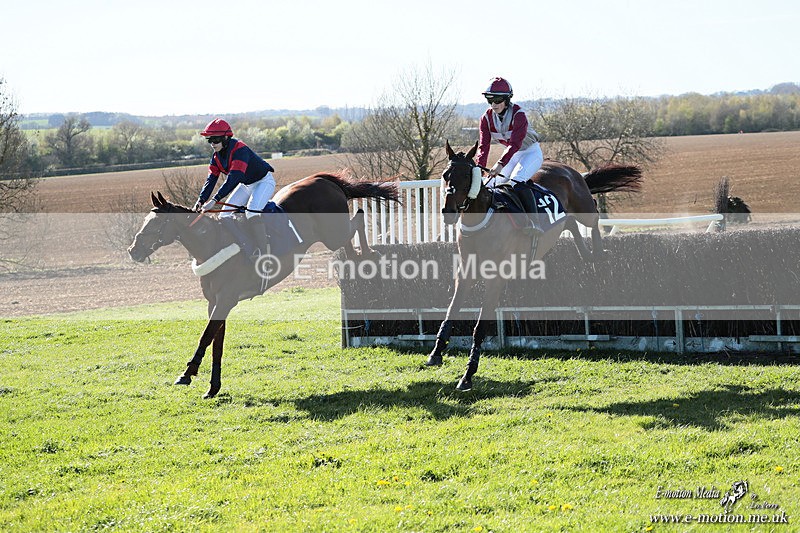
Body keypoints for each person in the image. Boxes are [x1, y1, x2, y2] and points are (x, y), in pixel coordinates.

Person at [194, 118, 276, 262]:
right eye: (209, 140)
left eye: (215, 140)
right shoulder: (216, 157)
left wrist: (215, 200)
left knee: (251, 212)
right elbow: (211, 179)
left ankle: (264, 253)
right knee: (224, 216)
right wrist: (201, 199)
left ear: (226, 138)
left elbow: (235, 177)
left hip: (263, 181)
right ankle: (246, 246)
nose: (212, 144)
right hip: (246, 185)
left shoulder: (240, 149)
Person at [476, 77, 543, 235]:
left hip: (530, 152)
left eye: (498, 100)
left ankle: (534, 222)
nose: (494, 104)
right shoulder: (485, 119)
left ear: (507, 99)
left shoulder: (519, 115)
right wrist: (479, 168)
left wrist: (499, 164)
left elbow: (515, 144)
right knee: (490, 184)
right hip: (511, 156)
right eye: (489, 99)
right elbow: (483, 146)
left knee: (517, 182)